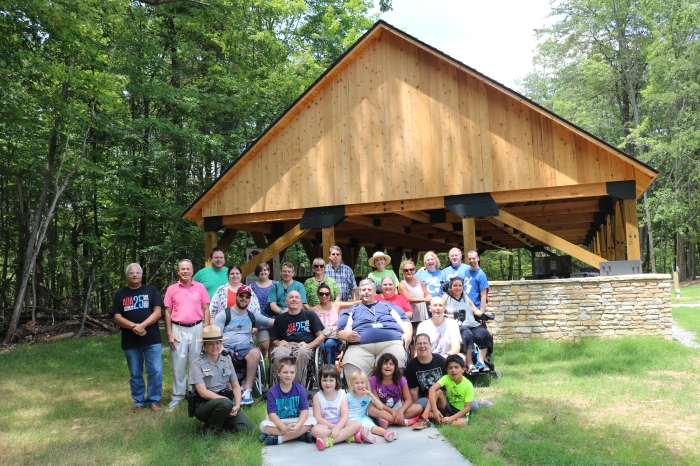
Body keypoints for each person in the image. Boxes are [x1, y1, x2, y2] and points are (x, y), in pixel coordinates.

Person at [111, 263, 164, 412]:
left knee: (155, 371)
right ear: (127, 276)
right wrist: (135, 326)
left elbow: (158, 312)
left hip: (151, 339)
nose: (134, 275)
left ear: (141, 275)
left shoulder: (151, 291)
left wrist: (142, 326)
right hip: (130, 341)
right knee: (135, 372)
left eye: (137, 273)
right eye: (131, 273)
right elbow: (117, 316)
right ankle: (138, 401)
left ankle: (154, 400)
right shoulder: (120, 294)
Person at [337, 278, 412, 381]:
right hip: (360, 347)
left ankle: (389, 394)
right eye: (363, 290)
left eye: (369, 289)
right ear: (360, 292)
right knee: (351, 366)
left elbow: (404, 320)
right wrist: (348, 336)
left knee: (394, 363)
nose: (366, 292)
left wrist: (408, 333)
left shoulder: (388, 306)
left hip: (390, 343)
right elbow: (340, 330)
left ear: (374, 291)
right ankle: (361, 396)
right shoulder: (352, 310)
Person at [213, 285, 273, 405]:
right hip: (226, 347)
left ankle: (247, 390)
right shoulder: (224, 315)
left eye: (247, 297)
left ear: (250, 299)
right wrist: (222, 349)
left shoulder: (252, 315)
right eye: (241, 296)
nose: (244, 299)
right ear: (236, 296)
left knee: (255, 352)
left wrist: (290, 316)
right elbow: (216, 338)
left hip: (245, 347)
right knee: (224, 355)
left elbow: (271, 322)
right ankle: (232, 393)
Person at [189, 325, 252, 437]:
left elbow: (236, 386)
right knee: (225, 403)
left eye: (217, 343)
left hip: (225, 404)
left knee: (246, 427)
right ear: (204, 345)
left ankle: (221, 421)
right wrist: (226, 401)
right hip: (204, 405)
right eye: (210, 344)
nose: (215, 346)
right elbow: (203, 392)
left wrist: (237, 405)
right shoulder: (196, 363)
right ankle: (208, 430)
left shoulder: (226, 361)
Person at [164, 259, 210, 409]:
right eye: (182, 269)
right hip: (178, 329)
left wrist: (206, 331)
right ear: (178, 272)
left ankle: (194, 394)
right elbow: (167, 311)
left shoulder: (200, 287)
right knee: (178, 363)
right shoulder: (172, 289)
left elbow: (206, 309)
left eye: (187, 269)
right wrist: (169, 333)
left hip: (197, 327)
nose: (185, 271)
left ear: (192, 271)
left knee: (195, 362)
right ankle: (178, 396)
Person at [269, 291, 325, 386]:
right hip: (286, 345)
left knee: (302, 352)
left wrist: (309, 345)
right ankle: (281, 386)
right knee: (278, 354)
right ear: (286, 301)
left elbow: (321, 336)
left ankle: (296, 387)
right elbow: (274, 340)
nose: (294, 299)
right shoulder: (280, 319)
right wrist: (278, 343)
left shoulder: (310, 315)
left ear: (301, 301)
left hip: (304, 345)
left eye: (296, 297)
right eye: (291, 297)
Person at [258, 357, 316, 446]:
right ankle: (300, 435)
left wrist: (298, 425)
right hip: (280, 421)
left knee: (313, 421)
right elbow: (272, 415)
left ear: (295, 373)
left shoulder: (300, 389)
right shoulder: (272, 392)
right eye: (285, 372)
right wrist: (284, 428)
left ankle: (279, 439)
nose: (288, 375)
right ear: (278, 373)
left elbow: (305, 411)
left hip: (296, 420)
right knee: (263, 425)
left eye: (292, 372)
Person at [443, 276, 494, 374]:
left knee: (485, 334)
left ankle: (481, 362)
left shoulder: (465, 297)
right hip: (458, 325)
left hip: (472, 324)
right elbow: (440, 311)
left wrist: (484, 314)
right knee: (467, 335)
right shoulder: (446, 298)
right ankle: (469, 363)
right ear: (450, 287)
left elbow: (475, 310)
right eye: (455, 286)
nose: (458, 288)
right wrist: (448, 315)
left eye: (460, 286)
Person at [311, 364, 367, 451]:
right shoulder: (317, 396)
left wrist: (337, 428)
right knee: (315, 430)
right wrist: (333, 428)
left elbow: (345, 416)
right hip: (325, 426)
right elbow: (317, 417)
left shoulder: (341, 394)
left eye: (331, 380)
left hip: (341, 424)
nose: (328, 383)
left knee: (357, 424)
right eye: (324, 380)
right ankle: (347, 437)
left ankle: (328, 441)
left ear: (336, 380)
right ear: (320, 381)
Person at [368, 353, 423, 427]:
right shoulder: (373, 380)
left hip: (398, 408)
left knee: (418, 407)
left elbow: (408, 399)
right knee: (371, 409)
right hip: (382, 409)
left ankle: (386, 420)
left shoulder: (401, 379)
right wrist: (392, 411)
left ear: (395, 367)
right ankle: (403, 421)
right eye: (385, 363)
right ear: (380, 366)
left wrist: (401, 411)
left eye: (391, 364)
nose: (388, 366)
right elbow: (376, 402)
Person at [346, 370, 398, 442]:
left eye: (362, 382)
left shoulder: (367, 396)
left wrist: (372, 396)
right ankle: (363, 435)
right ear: (352, 385)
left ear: (366, 384)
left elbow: (380, 407)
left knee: (373, 427)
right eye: (357, 383)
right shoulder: (348, 397)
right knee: (356, 428)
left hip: (363, 417)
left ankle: (386, 433)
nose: (360, 385)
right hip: (350, 419)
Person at [427, 355, 473, 427]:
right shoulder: (446, 378)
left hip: (460, 412)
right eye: (450, 368)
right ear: (447, 371)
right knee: (437, 391)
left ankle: (441, 420)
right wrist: (435, 409)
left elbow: (467, 408)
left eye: (456, 367)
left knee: (462, 423)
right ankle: (425, 416)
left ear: (463, 369)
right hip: (448, 407)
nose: (453, 370)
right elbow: (432, 389)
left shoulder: (468, 385)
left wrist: (451, 418)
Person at [251, 262, 277, 360]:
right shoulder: (252, 286)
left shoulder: (276, 284)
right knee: (264, 345)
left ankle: (270, 370)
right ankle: (259, 364)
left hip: (274, 317)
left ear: (269, 271)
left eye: (265, 270)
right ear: (257, 273)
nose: (263, 272)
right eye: (261, 270)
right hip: (259, 318)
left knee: (273, 345)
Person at [398, 259, 431, 333]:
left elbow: (427, 294)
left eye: (411, 269)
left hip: (424, 315)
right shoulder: (402, 285)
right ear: (403, 272)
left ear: (415, 269)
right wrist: (424, 299)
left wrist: (430, 298)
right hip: (412, 317)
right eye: (406, 270)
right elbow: (408, 299)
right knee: (415, 339)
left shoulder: (419, 281)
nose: (409, 272)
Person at [465, 250, 490, 315]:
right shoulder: (466, 271)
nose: (472, 261)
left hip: (476, 308)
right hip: (465, 308)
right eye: (469, 259)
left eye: (473, 258)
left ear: (478, 258)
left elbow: (483, 295)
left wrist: (481, 312)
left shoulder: (481, 275)